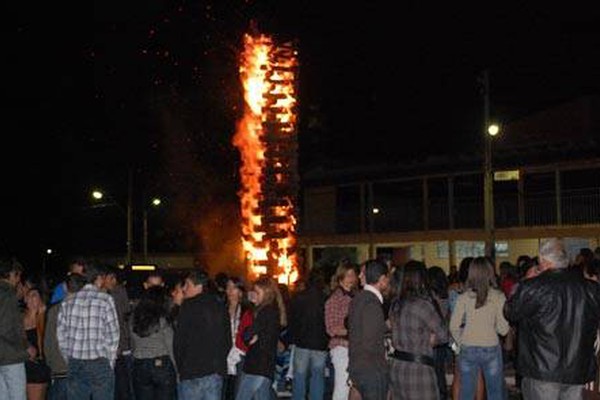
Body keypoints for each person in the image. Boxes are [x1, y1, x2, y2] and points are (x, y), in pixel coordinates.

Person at [505, 238, 600, 400]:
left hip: (541, 371)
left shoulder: (533, 287)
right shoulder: (590, 288)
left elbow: (510, 312)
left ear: (543, 260)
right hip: (576, 370)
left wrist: (525, 282)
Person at [57, 263, 120, 400]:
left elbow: (61, 336)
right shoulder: (106, 300)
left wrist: (69, 358)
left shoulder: (67, 301)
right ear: (99, 278)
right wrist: (110, 361)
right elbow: (113, 335)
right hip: (99, 361)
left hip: (75, 361)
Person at [450, 257, 509, 400]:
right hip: (491, 348)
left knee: (466, 393)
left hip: (468, 347)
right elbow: (503, 330)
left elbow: (453, 326)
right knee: (495, 393)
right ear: (490, 272)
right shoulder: (499, 296)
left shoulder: (463, 297)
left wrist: (461, 341)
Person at [389, 262, 448, 400]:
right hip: (419, 369)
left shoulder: (395, 305)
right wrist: (430, 339)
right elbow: (443, 335)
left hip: (397, 367)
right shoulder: (422, 305)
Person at [174, 270, 230, 400]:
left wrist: (181, 367)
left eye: (187, 285)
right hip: (214, 372)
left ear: (198, 286)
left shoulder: (188, 306)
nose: (184, 289)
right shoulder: (220, 306)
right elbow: (227, 340)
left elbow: (179, 342)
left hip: (191, 372)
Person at [348, 259, 390, 400]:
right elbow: (369, 341)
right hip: (372, 372)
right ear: (382, 279)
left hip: (357, 368)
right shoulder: (371, 303)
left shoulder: (358, 299)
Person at [236, 276, 282, 400]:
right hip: (264, 366)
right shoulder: (271, 311)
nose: (253, 295)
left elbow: (247, 335)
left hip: (257, 366)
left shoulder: (265, 312)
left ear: (266, 293)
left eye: (257, 292)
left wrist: (250, 334)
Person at [130, 286, 177, 400]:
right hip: (161, 364)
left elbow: (133, 343)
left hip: (140, 364)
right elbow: (170, 346)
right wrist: (176, 369)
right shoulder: (162, 319)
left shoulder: (134, 318)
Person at [44, 273, 86, 400]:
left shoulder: (54, 310)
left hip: (59, 368)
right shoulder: (86, 310)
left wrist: (51, 363)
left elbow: (48, 341)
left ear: (66, 288)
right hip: (80, 368)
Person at [289, 271, 329, 400]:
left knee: (299, 377)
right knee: (317, 377)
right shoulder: (326, 298)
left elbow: (293, 320)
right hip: (320, 343)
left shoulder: (298, 297)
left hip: (302, 342)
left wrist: (293, 338)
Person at [325, 261, 358, 400]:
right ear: (340, 277)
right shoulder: (335, 299)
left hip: (355, 347)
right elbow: (331, 328)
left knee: (354, 387)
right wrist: (351, 331)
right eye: (348, 275)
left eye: (353, 275)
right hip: (341, 346)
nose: (351, 278)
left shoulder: (357, 296)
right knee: (342, 386)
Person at [104, 266, 134, 400]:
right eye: (110, 278)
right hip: (115, 346)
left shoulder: (118, 292)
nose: (113, 281)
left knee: (123, 382)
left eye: (113, 278)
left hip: (120, 346)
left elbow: (123, 317)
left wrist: (122, 344)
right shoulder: (106, 294)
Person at [0, 258, 28, 400]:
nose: (18, 281)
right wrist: (26, 346)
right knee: (18, 396)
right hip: (11, 355)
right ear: (12, 274)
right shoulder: (9, 294)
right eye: (18, 276)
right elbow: (8, 327)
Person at [223, 277, 251, 400]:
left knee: (238, 390)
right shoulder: (221, 309)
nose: (229, 290)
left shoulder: (247, 310)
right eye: (228, 287)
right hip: (224, 354)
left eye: (233, 287)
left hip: (241, 354)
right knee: (226, 390)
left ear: (240, 291)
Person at [427, 266, 451, 400]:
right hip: (443, 336)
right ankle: (442, 396)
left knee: (433, 373)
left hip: (433, 336)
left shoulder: (430, 297)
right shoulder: (447, 294)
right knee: (440, 371)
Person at [23, 287, 51, 400]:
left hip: (37, 366)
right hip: (20, 364)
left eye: (34, 295)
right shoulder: (19, 318)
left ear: (40, 299)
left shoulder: (44, 318)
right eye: (28, 295)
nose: (30, 298)